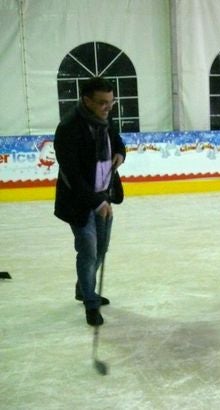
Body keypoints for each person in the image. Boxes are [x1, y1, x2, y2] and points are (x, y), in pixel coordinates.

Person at [54, 77, 126, 326]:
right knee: (88, 250)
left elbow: (116, 139)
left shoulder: (105, 117)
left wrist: (119, 153)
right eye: (102, 103)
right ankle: (90, 303)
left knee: (101, 249)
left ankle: (83, 289)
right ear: (86, 101)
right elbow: (71, 175)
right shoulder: (68, 128)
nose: (108, 107)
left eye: (111, 102)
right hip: (80, 202)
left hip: (104, 194)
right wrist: (96, 202)